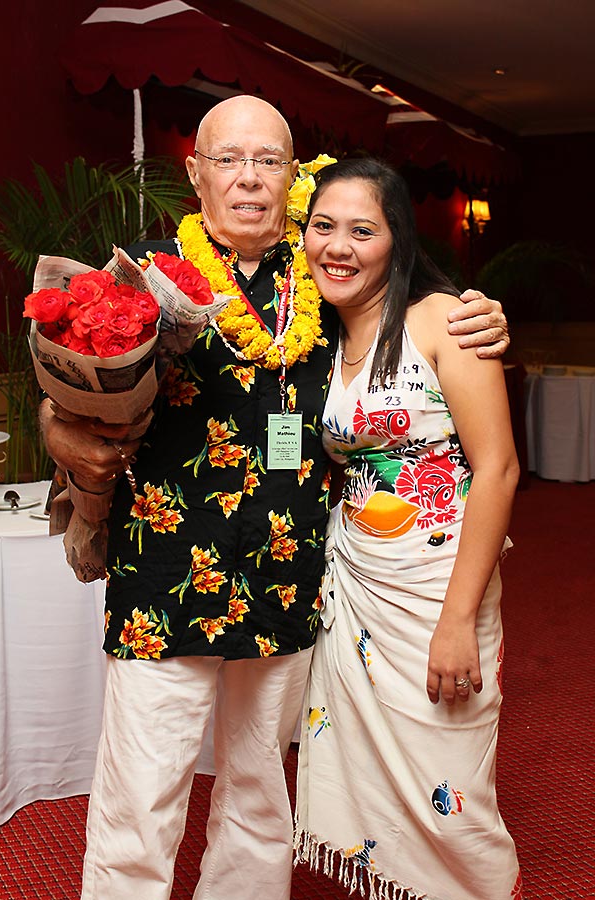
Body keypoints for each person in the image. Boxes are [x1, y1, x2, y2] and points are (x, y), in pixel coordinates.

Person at [40, 96, 511, 900]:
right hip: (164, 575)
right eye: (228, 160)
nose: (249, 178)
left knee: (260, 792)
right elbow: (64, 390)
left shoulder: (327, 275)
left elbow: (411, 320)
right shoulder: (142, 275)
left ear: (292, 177)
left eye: (268, 161)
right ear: (196, 174)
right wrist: (58, 430)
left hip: (286, 576)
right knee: (140, 797)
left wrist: (482, 313)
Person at [294, 157, 522, 900]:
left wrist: (457, 620)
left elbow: (498, 470)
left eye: (363, 230)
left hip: (437, 584)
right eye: (323, 227)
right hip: (356, 577)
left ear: (398, 239)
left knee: (449, 776)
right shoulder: (317, 335)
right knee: (368, 767)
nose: (339, 247)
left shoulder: (442, 319)